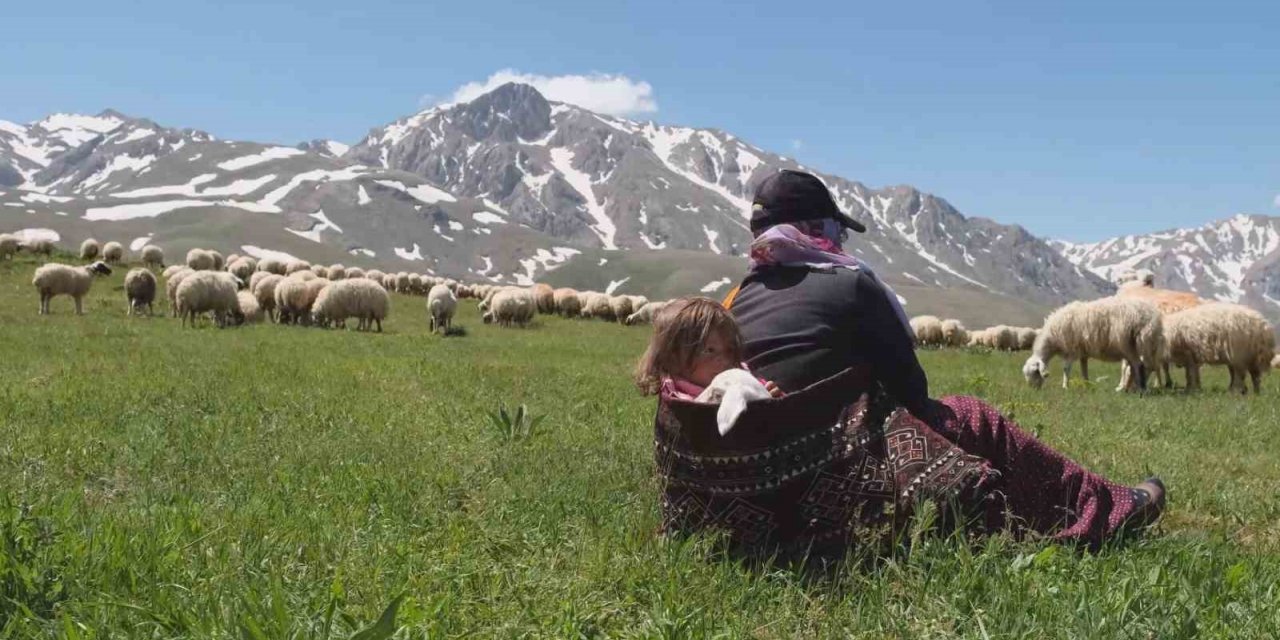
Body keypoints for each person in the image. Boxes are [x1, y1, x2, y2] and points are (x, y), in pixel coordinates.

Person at [719, 169, 1165, 548]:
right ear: (818, 229)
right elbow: (914, 393)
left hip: (765, 474)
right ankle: (1103, 511)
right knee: (974, 418)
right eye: (836, 228)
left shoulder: (736, 300)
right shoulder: (852, 286)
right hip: (837, 464)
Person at [635, 297, 785, 434]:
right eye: (709, 350)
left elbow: (763, 394)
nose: (725, 360)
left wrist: (772, 396)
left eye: (729, 350)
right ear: (673, 358)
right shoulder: (678, 398)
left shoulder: (737, 374)